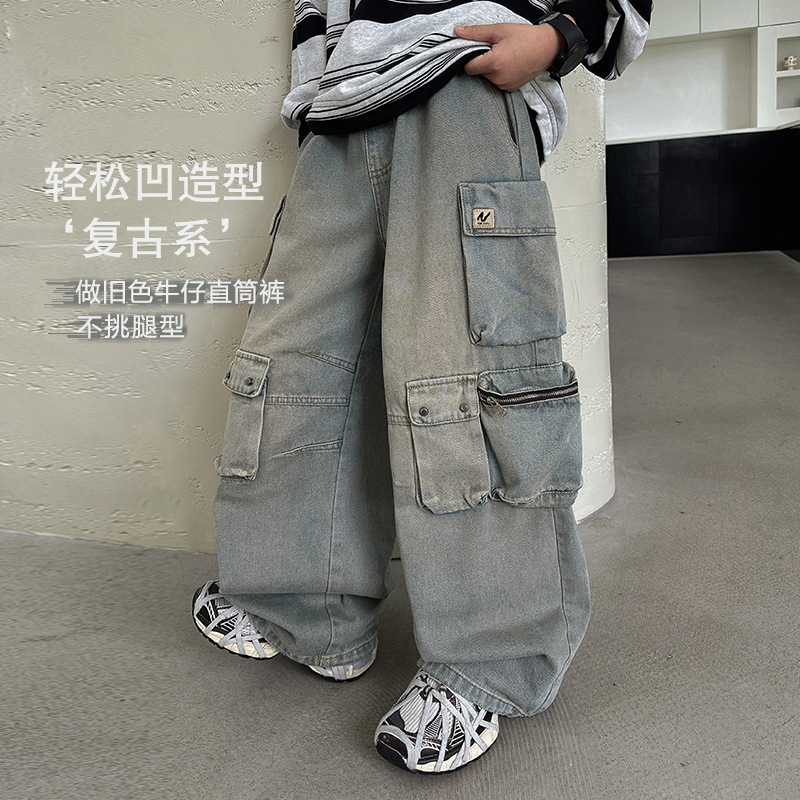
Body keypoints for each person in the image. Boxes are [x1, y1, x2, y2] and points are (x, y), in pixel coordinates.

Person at [192, 0, 651, 774]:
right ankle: (311, 609)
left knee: (466, 372)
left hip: (464, 87)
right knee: (302, 362)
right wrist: (316, 96)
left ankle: (485, 663)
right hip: (343, 112)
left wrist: (560, 37)